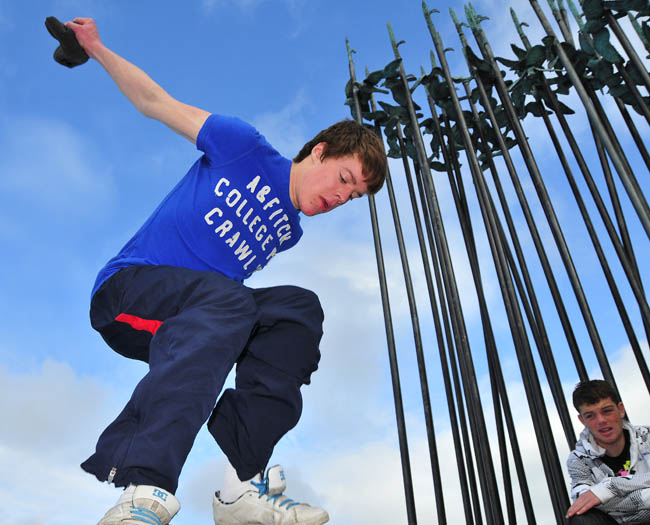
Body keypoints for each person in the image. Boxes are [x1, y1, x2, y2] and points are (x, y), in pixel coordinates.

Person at [60, 17, 387, 525]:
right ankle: (143, 486)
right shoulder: (243, 147)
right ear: (320, 151)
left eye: (353, 196)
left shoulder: (290, 231)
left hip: (194, 320)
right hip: (127, 294)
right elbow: (154, 102)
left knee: (297, 310)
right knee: (230, 299)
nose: (341, 197)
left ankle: (240, 487)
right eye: (344, 178)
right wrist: (96, 48)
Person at [566, 379, 650, 524]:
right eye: (590, 416)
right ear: (582, 420)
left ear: (621, 410)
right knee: (582, 518)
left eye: (607, 411)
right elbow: (584, 503)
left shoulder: (647, 436)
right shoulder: (578, 460)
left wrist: (609, 487)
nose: (601, 420)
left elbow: (598, 499)